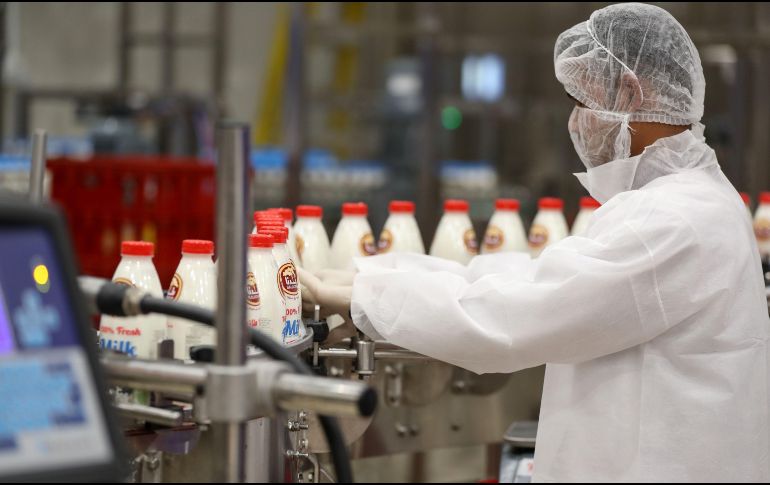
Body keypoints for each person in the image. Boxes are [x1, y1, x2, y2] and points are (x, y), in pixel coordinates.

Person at [300, 3, 770, 482]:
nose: (578, 121)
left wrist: (366, 297)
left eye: (584, 102)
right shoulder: (693, 201)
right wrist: (372, 277)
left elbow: (517, 317)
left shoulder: (672, 218)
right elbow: (534, 280)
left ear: (629, 92)